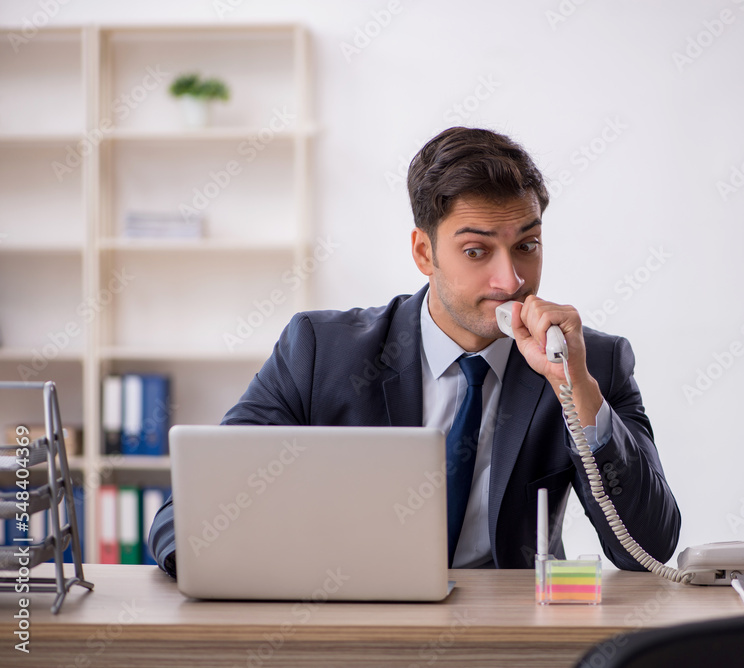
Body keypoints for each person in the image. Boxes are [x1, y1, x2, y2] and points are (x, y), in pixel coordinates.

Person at [149, 127, 680, 577]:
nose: (511, 279)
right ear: (424, 252)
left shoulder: (590, 363)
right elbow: (186, 518)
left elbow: (649, 548)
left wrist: (576, 391)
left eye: (527, 245)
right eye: (476, 251)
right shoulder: (319, 352)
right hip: (357, 632)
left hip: (511, 640)